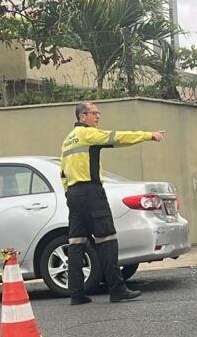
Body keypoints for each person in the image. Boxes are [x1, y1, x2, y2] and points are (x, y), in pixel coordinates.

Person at [59, 101, 165, 305]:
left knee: (76, 243)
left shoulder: (67, 141)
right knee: (106, 239)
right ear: (82, 117)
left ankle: (77, 294)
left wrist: (70, 193)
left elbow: (62, 172)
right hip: (91, 191)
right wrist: (148, 135)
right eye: (94, 113)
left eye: (98, 113)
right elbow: (118, 137)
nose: (98, 117)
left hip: (73, 193)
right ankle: (117, 289)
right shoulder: (87, 134)